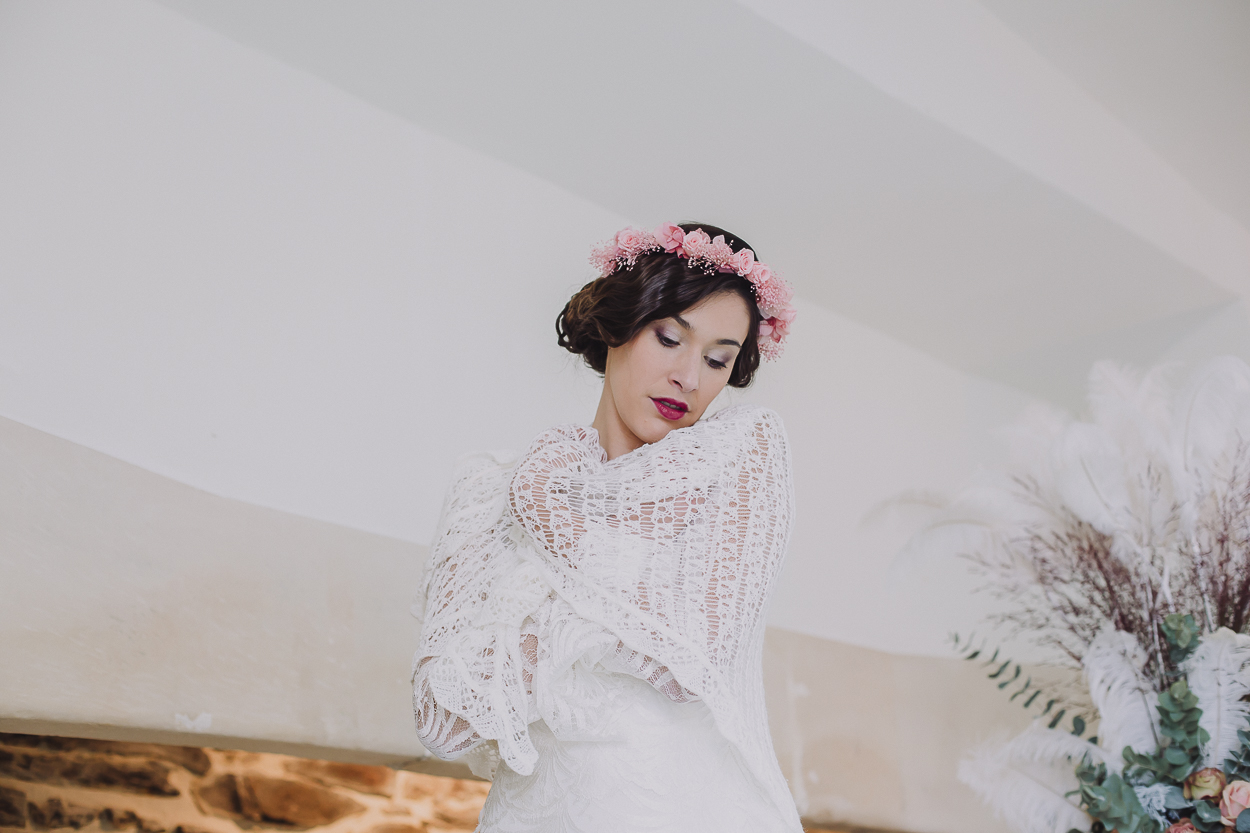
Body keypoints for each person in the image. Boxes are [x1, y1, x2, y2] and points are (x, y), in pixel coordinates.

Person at [411, 222, 801, 832]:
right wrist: (608, 613)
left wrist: (545, 518)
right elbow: (442, 720)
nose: (690, 378)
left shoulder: (735, 458)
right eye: (669, 338)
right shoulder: (490, 486)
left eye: (718, 359)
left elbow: (690, 661)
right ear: (617, 324)